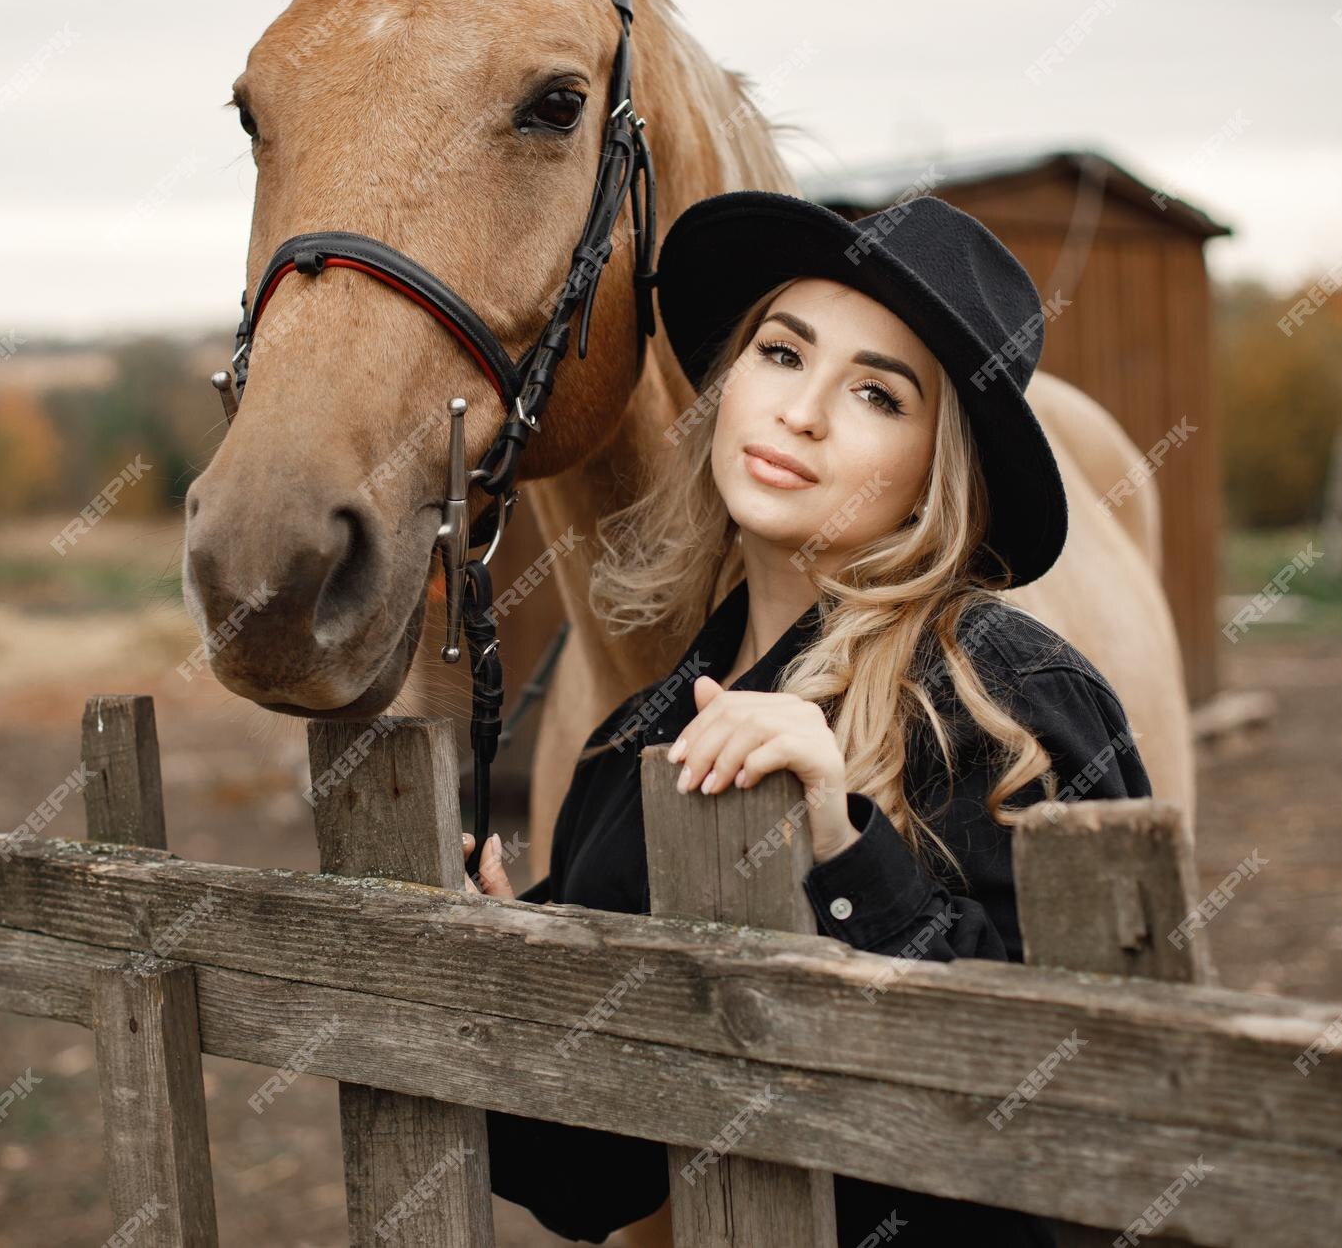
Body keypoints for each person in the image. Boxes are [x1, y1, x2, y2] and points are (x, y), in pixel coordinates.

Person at [458, 189, 1153, 1246]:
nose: (801, 410)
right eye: (782, 354)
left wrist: (841, 845)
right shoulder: (631, 748)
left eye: (877, 394)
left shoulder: (1008, 702)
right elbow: (596, 1182)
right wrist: (513, 984)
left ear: (938, 466)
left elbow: (1091, 1106)